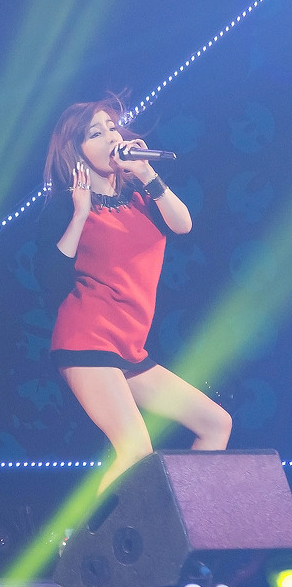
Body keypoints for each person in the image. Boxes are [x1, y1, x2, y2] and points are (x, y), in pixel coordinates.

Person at [35, 96, 231, 494]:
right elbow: (50, 278)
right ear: (76, 152)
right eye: (96, 133)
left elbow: (183, 224)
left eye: (112, 127)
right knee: (135, 450)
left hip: (129, 346)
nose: (111, 136)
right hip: (87, 339)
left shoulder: (142, 198)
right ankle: (81, 532)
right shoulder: (67, 207)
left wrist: (146, 173)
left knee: (215, 424)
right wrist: (79, 213)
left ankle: (184, 519)